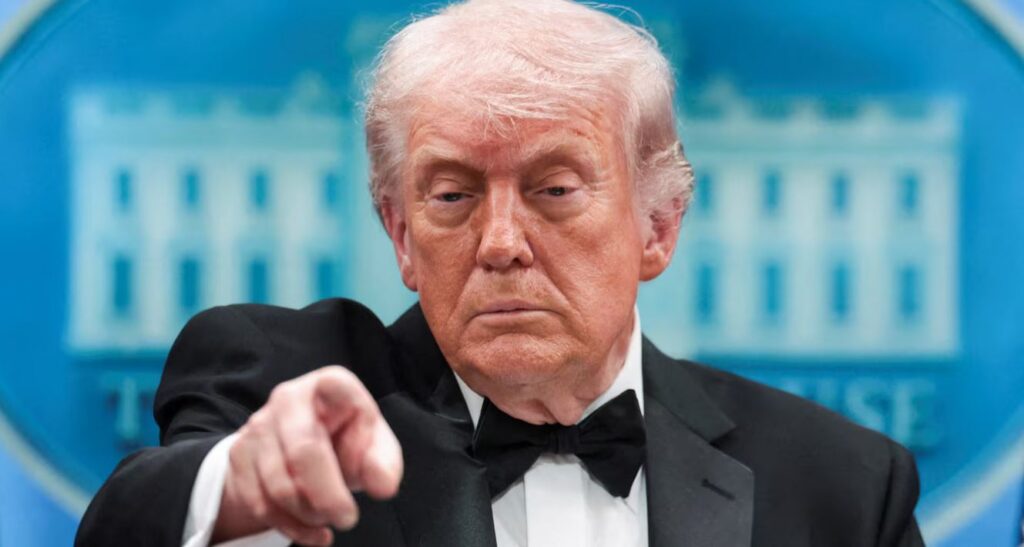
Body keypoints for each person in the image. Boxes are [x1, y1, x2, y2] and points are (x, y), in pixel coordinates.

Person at [75, 0, 925, 546]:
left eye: (555, 189)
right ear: (401, 235)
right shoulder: (288, 383)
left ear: (657, 227)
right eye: (452, 195)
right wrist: (237, 484)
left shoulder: (842, 485)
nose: (501, 242)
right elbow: (126, 521)